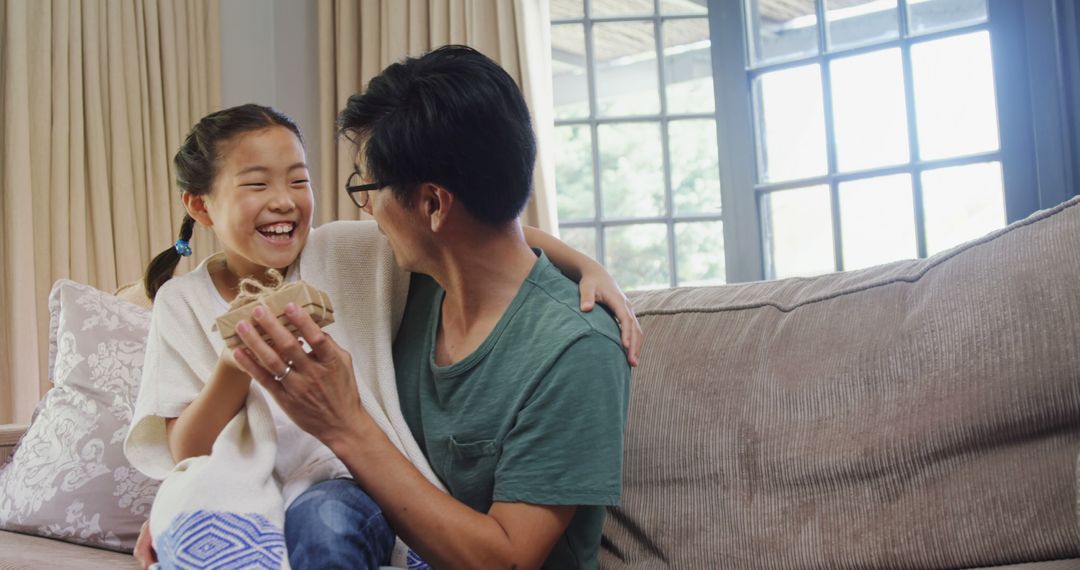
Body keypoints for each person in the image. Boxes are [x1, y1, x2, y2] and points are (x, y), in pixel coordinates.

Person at [127, 102, 640, 568]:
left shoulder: (345, 253)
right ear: (200, 206)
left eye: (299, 181)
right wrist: (236, 362)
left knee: (326, 526)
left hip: (343, 481)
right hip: (241, 489)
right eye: (257, 185)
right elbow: (188, 448)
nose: (283, 202)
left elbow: (478, 226)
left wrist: (585, 264)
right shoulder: (181, 302)